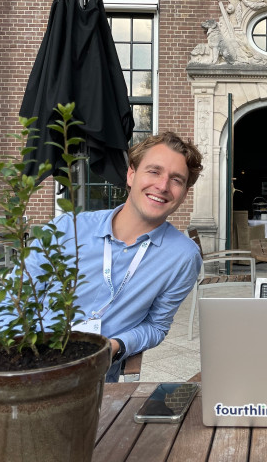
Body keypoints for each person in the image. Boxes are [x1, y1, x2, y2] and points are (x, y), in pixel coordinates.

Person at [15, 131, 204, 382]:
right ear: (131, 174)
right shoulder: (65, 228)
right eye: (154, 171)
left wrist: (116, 346)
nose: (162, 186)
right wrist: (20, 357)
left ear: (184, 193)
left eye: (177, 179)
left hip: (97, 381)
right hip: (30, 366)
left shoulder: (184, 257)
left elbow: (156, 327)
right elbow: (17, 297)